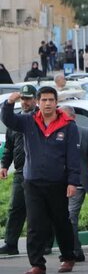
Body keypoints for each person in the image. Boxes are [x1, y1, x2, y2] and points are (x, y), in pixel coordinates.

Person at [1, 86, 80, 274]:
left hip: (57, 182)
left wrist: (72, 182)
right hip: (33, 182)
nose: (47, 103)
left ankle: (68, 257)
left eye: (50, 100)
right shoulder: (29, 121)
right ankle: (37, 265)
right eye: (43, 100)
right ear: (38, 102)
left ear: (56, 102)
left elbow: (73, 157)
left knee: (61, 222)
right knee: (35, 224)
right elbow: (8, 120)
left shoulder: (68, 125)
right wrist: (9, 103)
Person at [59, 105, 88, 262]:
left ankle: (75, 251)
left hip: (78, 183)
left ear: (73, 117)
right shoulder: (57, 133)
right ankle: (73, 249)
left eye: (64, 116)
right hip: (58, 183)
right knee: (62, 217)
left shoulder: (85, 133)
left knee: (71, 216)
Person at [0, 85, 37, 256]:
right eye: (23, 99)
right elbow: (9, 147)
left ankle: (43, 244)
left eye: (28, 99)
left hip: (38, 172)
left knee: (38, 211)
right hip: (21, 172)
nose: (25, 102)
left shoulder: (39, 118)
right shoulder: (15, 121)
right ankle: (11, 243)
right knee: (15, 208)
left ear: (35, 100)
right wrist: (4, 165)